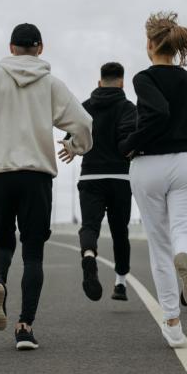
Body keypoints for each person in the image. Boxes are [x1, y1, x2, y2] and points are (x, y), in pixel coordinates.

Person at [0, 23, 93, 351]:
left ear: (11, 47)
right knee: (33, 254)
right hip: (36, 177)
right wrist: (75, 147)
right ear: (40, 49)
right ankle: (25, 327)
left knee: (2, 244)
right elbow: (84, 123)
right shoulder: (50, 84)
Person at [118, 11, 187, 348]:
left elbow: (157, 113)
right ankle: (186, 255)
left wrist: (129, 144)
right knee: (183, 232)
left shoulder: (144, 78)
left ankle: (173, 323)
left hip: (148, 165)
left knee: (159, 245)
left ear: (150, 43)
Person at [57, 62, 137, 302]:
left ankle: (89, 255)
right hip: (120, 178)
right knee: (120, 233)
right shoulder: (128, 108)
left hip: (90, 176)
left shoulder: (85, 108)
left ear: (99, 81)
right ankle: (120, 284)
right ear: (122, 82)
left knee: (90, 226)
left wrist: (72, 149)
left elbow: (70, 138)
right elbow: (131, 141)